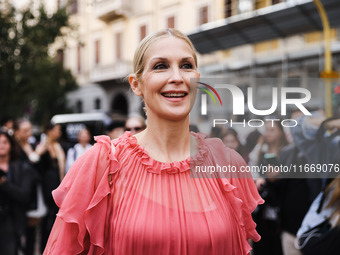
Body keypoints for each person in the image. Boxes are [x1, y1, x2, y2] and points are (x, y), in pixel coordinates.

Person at [43, 28, 263, 255]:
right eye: (161, 66)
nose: (177, 77)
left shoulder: (228, 164)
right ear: (136, 84)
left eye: (187, 65)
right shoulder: (102, 163)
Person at [249, 119, 289, 255]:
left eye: (272, 130)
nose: (268, 134)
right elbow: (251, 169)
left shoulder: (287, 151)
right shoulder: (260, 149)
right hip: (262, 206)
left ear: (281, 132)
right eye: (266, 130)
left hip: (280, 204)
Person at [13, 118, 46, 255]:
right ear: (16, 132)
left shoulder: (31, 145)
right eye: (25, 130)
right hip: (17, 195)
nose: (29, 133)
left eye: (30, 130)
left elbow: (39, 172)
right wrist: (36, 155)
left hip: (32, 195)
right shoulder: (13, 149)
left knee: (32, 233)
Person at [0, 131, 36, 255]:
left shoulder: (21, 168)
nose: (1, 146)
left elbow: (24, 195)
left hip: (11, 221)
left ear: (11, 145)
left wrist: (4, 184)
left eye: (4, 142)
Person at [37, 123, 65, 252]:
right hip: (47, 186)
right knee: (47, 219)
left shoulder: (58, 145)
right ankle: (45, 247)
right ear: (49, 131)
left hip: (57, 183)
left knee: (55, 217)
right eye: (56, 130)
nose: (59, 132)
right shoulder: (44, 145)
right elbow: (37, 161)